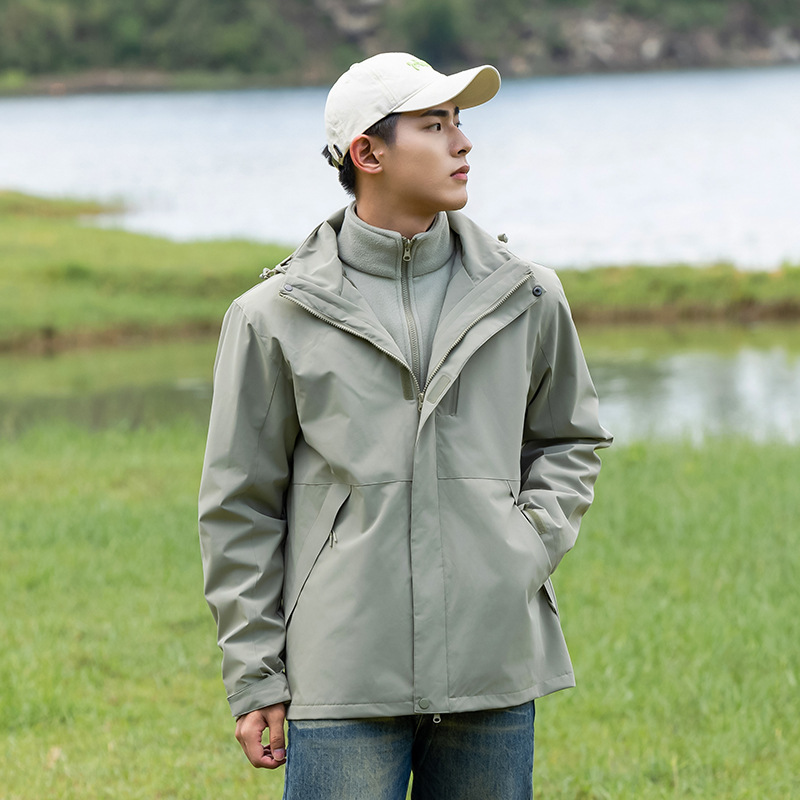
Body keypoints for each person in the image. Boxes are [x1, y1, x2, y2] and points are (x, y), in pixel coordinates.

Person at [199, 51, 612, 800]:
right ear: (368, 154)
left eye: (459, 122)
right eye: (435, 124)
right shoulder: (273, 317)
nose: (464, 142)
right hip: (342, 671)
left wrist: (522, 545)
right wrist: (256, 674)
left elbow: (569, 439)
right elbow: (240, 505)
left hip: (491, 661)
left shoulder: (527, 295)